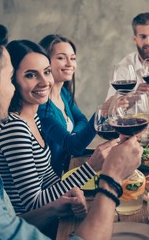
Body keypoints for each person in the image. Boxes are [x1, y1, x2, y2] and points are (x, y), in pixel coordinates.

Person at [0, 18, 142, 240]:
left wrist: (60, 204)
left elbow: (19, 213)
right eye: (10, 78)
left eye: (46, 72)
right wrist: (111, 179)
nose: (13, 88)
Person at [0, 40, 116, 217]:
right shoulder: (14, 128)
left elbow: (48, 177)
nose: (44, 81)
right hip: (27, 228)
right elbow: (33, 203)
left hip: (50, 214)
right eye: (31, 75)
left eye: (46, 72)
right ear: (13, 80)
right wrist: (90, 168)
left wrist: (73, 192)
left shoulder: (34, 117)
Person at [38, 34, 107, 176]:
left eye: (73, 58)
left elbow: (82, 119)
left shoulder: (64, 93)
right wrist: (103, 111)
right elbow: (73, 147)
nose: (70, 63)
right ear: (45, 62)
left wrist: (73, 136)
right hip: (54, 184)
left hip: (70, 170)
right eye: (61, 58)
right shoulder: (42, 107)